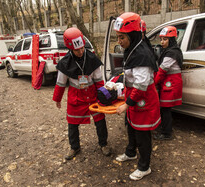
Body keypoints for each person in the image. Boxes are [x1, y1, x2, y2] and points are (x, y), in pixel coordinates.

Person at [114, 12, 161, 181]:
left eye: (122, 38)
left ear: (132, 35)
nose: (119, 42)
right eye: (117, 37)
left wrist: (127, 104)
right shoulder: (131, 49)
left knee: (143, 134)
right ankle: (130, 152)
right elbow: (130, 74)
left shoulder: (142, 54)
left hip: (142, 100)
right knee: (132, 127)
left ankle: (144, 166)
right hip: (134, 98)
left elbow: (141, 85)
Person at [52, 27, 111, 160]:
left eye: (82, 48)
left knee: (100, 121)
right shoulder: (65, 63)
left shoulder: (92, 59)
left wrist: (105, 96)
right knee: (72, 123)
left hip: (93, 95)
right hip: (76, 97)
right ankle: (74, 147)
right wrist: (57, 99)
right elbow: (60, 83)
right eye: (76, 50)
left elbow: (99, 81)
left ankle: (104, 144)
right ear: (70, 48)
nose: (80, 51)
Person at [153, 26, 183, 140]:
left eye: (165, 39)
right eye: (161, 39)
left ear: (171, 40)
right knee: (165, 109)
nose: (162, 42)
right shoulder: (171, 51)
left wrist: (153, 83)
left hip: (171, 84)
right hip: (169, 83)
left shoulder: (172, 53)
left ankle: (166, 134)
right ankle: (165, 129)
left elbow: (161, 71)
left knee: (165, 109)